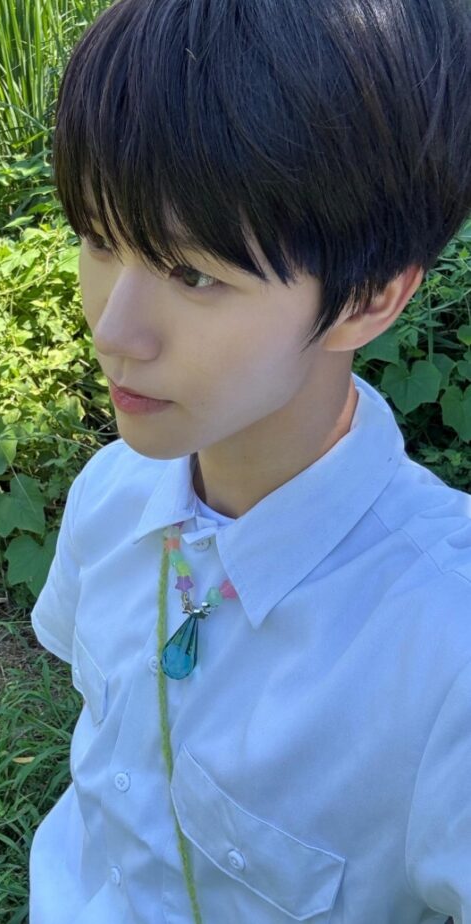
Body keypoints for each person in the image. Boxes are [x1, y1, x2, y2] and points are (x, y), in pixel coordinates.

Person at [29, 0, 471, 921]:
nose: (114, 332)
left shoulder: (443, 651)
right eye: (100, 239)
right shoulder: (111, 494)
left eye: (194, 274)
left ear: (369, 298)